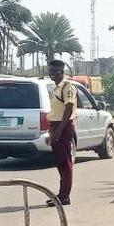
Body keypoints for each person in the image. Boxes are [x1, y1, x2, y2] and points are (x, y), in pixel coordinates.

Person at [45, 59, 76, 207]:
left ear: (62, 72)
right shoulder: (56, 87)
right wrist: (51, 132)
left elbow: (68, 109)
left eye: (55, 71)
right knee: (59, 162)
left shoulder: (67, 86)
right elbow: (55, 111)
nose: (52, 74)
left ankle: (65, 196)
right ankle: (61, 193)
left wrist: (59, 130)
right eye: (50, 71)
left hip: (63, 126)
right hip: (55, 125)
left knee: (65, 162)